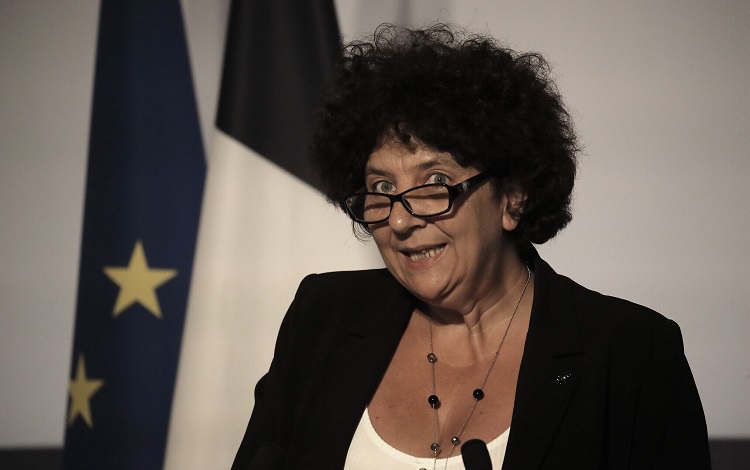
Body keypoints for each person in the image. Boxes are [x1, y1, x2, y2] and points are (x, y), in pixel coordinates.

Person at [231, 24, 710, 469]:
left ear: (512, 198)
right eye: (382, 187)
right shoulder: (322, 319)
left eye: (436, 182)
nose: (400, 219)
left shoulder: (630, 355)